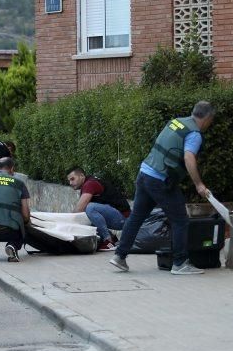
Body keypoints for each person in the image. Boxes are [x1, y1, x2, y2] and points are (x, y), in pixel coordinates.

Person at [109, 101, 216, 275]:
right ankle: (180, 263)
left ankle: (119, 256)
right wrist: (199, 184)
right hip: (160, 179)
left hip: (145, 172)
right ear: (208, 118)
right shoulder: (194, 134)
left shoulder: (176, 122)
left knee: (136, 217)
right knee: (180, 219)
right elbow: (189, 158)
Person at [67, 167, 130, 251]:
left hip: (124, 219)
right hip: (118, 217)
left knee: (90, 208)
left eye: (72, 179)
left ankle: (108, 241)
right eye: (69, 180)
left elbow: (79, 209)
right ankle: (112, 239)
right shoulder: (88, 183)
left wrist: (66, 223)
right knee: (86, 215)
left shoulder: (90, 184)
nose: (70, 183)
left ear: (82, 176)